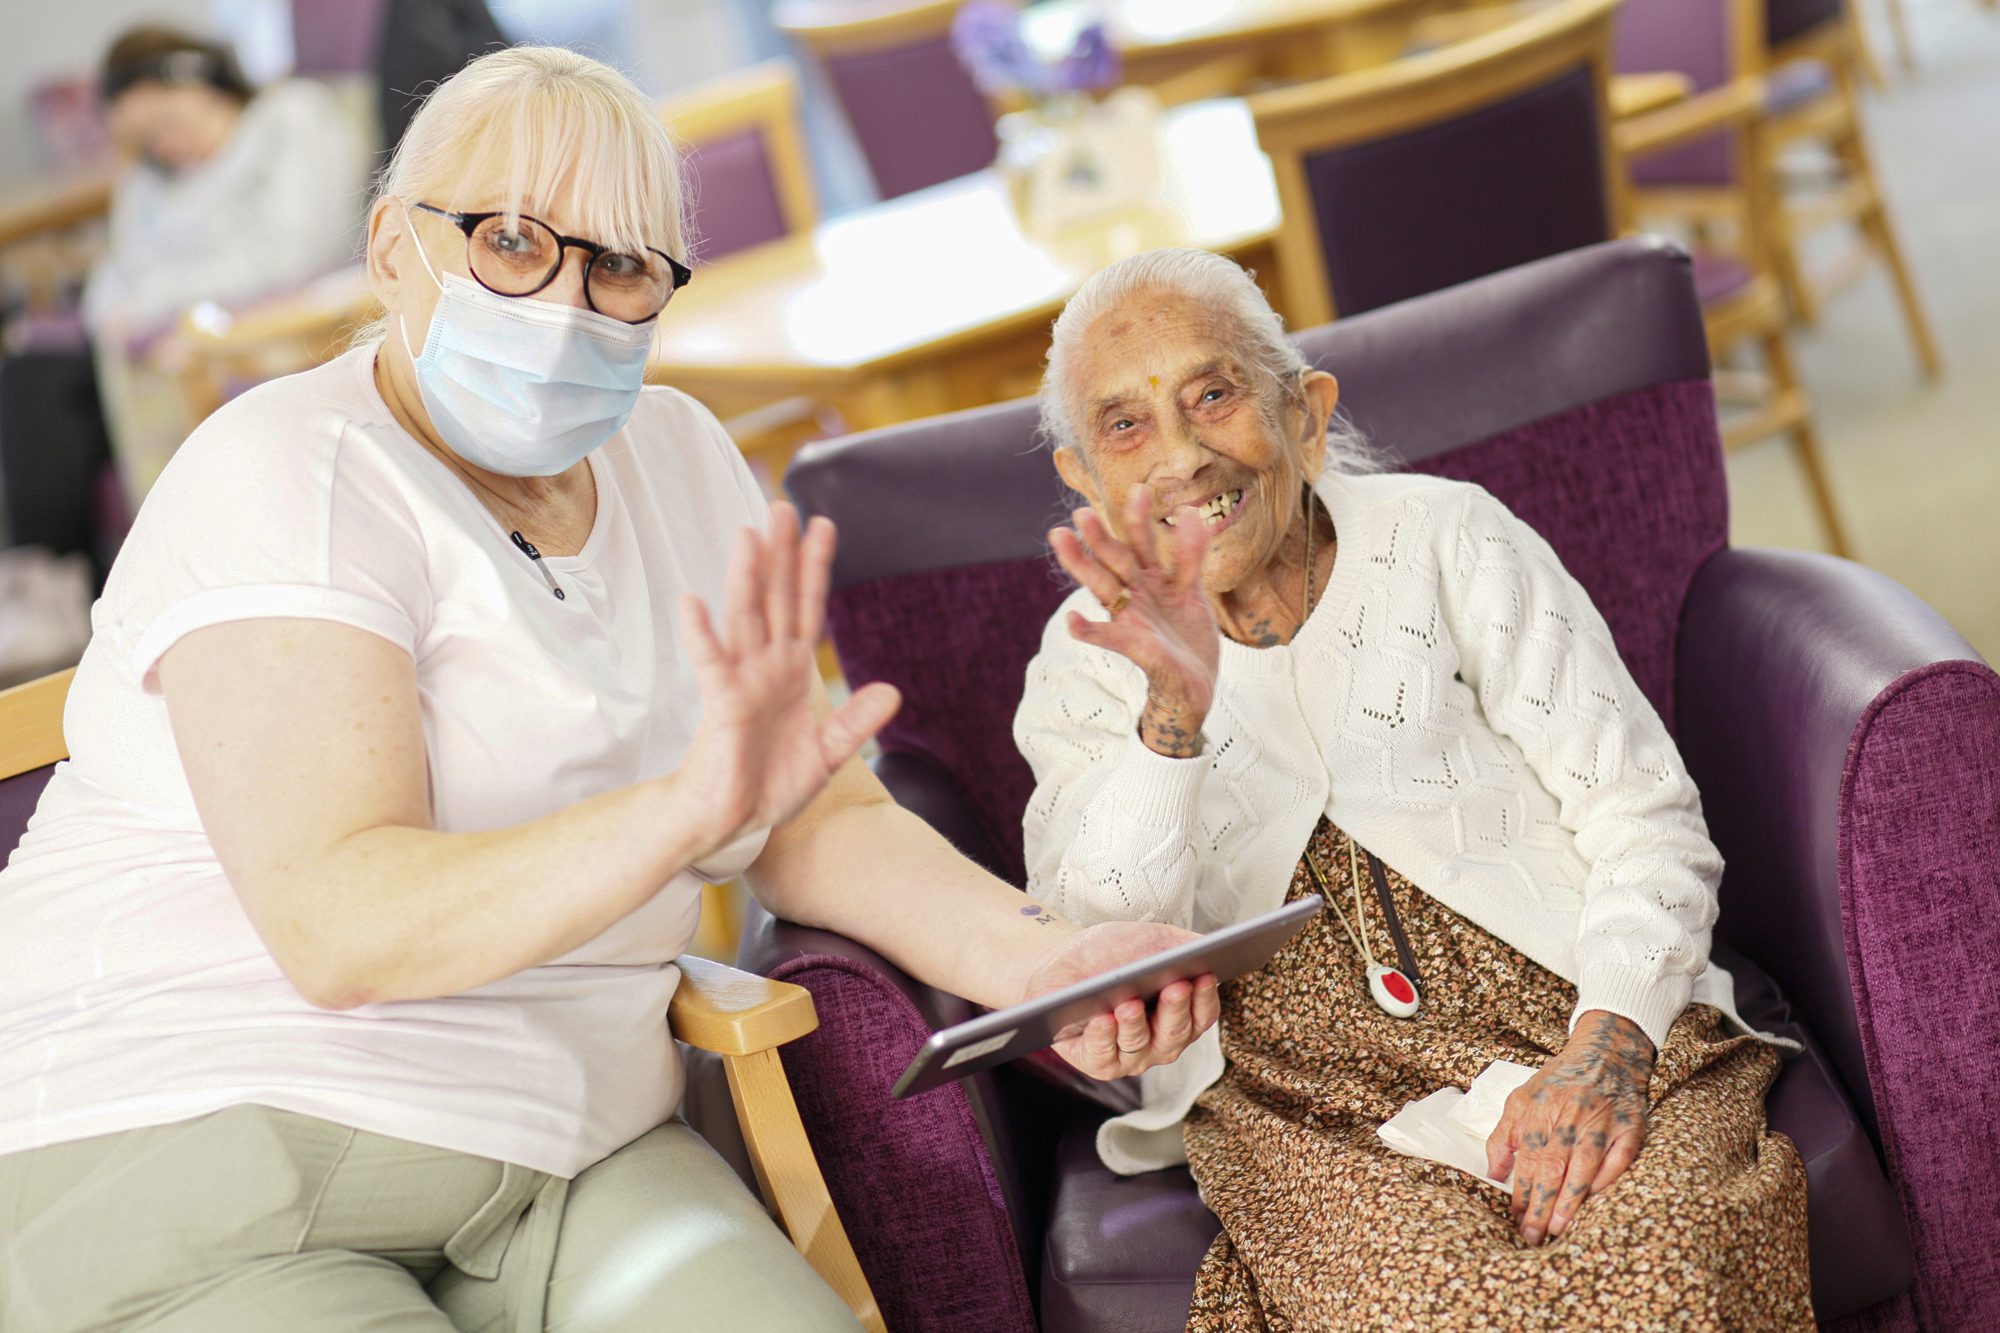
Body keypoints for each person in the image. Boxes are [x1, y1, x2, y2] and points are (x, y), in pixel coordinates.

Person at [0, 48, 1217, 1331]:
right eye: (513, 242)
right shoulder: (284, 472)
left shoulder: (681, 456)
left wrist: (1044, 964)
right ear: (390, 249)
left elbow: (810, 817)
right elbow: (341, 929)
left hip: (568, 1156)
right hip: (200, 1143)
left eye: (621, 266)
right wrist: (685, 813)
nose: (564, 306)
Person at [1015, 248, 1813, 1330]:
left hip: (1580, 1013)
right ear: (1084, 481)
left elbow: (1642, 816)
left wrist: (1606, 1047)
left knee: (1665, 1276)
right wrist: (1172, 716)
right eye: (1125, 427)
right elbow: (1100, 940)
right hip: (1306, 1105)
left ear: (1303, 414)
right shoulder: (1082, 662)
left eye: (1213, 395)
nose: (1182, 456)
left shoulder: (1446, 538)